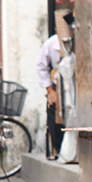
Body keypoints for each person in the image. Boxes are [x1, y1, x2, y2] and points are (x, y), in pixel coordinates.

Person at [36, 12, 73, 160]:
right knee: (55, 115)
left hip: (73, 86)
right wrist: (50, 90)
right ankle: (57, 150)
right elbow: (41, 66)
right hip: (57, 85)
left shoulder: (77, 41)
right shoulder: (51, 44)